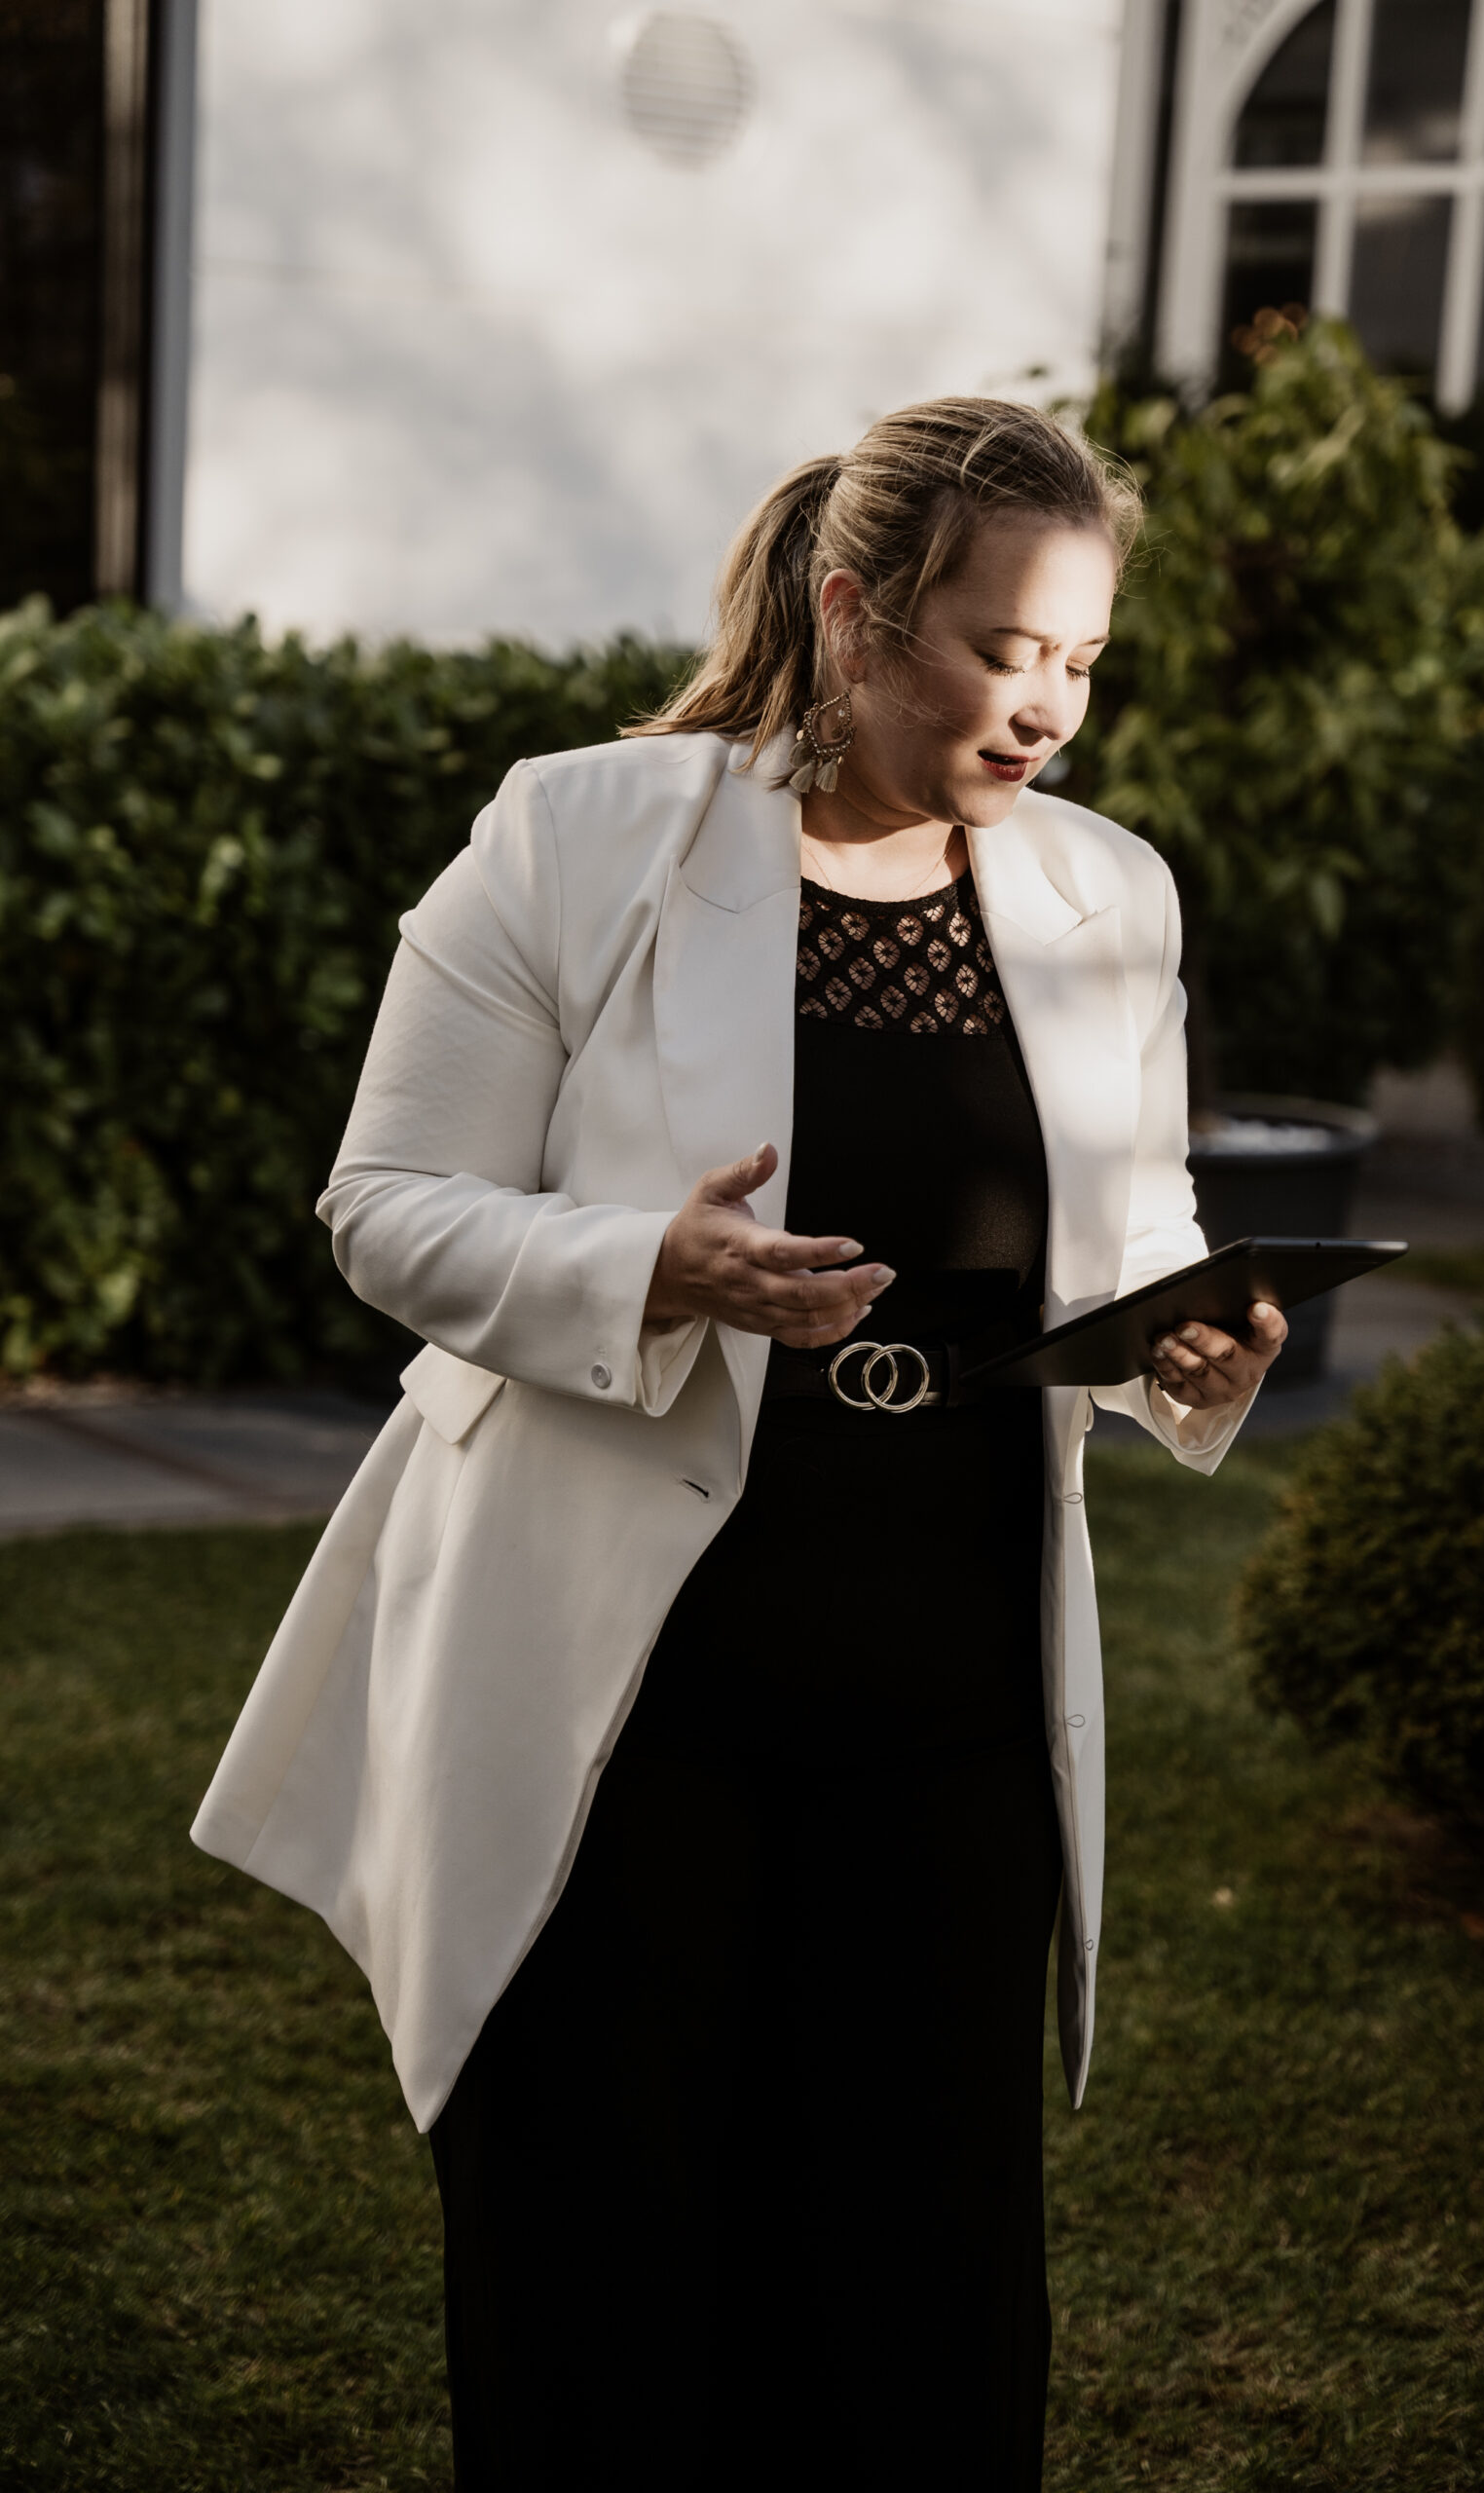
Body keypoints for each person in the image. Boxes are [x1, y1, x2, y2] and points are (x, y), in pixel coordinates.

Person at [192, 396, 1285, 2490]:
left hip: (953, 1700)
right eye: (999, 648)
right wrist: (648, 1268)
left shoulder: (1105, 897)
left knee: (918, 2298)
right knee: (601, 2283)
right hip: (626, 1700)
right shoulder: (579, 834)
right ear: (856, 612)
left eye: (1080, 658)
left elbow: (1127, 1235)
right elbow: (386, 1203)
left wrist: (1189, 1345)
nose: (1046, 706)